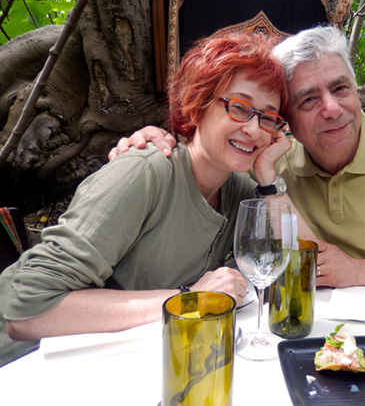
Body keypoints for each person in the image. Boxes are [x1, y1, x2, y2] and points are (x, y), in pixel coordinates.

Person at [110, 26, 365, 293]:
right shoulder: (270, 163)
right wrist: (155, 141)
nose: (331, 108)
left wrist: (356, 270)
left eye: (341, 89)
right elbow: (203, 156)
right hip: (309, 333)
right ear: (285, 117)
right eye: (308, 99)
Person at [0, 32, 299, 367]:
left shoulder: (238, 189)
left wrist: (268, 176)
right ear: (197, 105)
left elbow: (296, 263)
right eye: (240, 108)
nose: (255, 130)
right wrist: (188, 300)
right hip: (39, 366)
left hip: (147, 362)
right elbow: (25, 308)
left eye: (268, 116)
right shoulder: (146, 171)